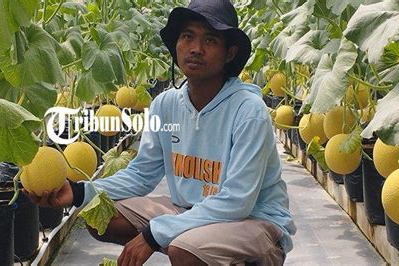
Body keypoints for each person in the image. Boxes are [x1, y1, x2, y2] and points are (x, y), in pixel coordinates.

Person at [28, 0, 296, 265]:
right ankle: (200, 249)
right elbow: (142, 173)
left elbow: (237, 201)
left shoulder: (249, 110)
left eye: (211, 40)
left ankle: (243, 257)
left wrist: (154, 235)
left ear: (229, 53)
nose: (196, 49)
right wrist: (78, 192)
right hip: (190, 210)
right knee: (102, 216)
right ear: (176, 45)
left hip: (254, 219)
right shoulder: (164, 105)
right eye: (187, 36)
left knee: (185, 250)